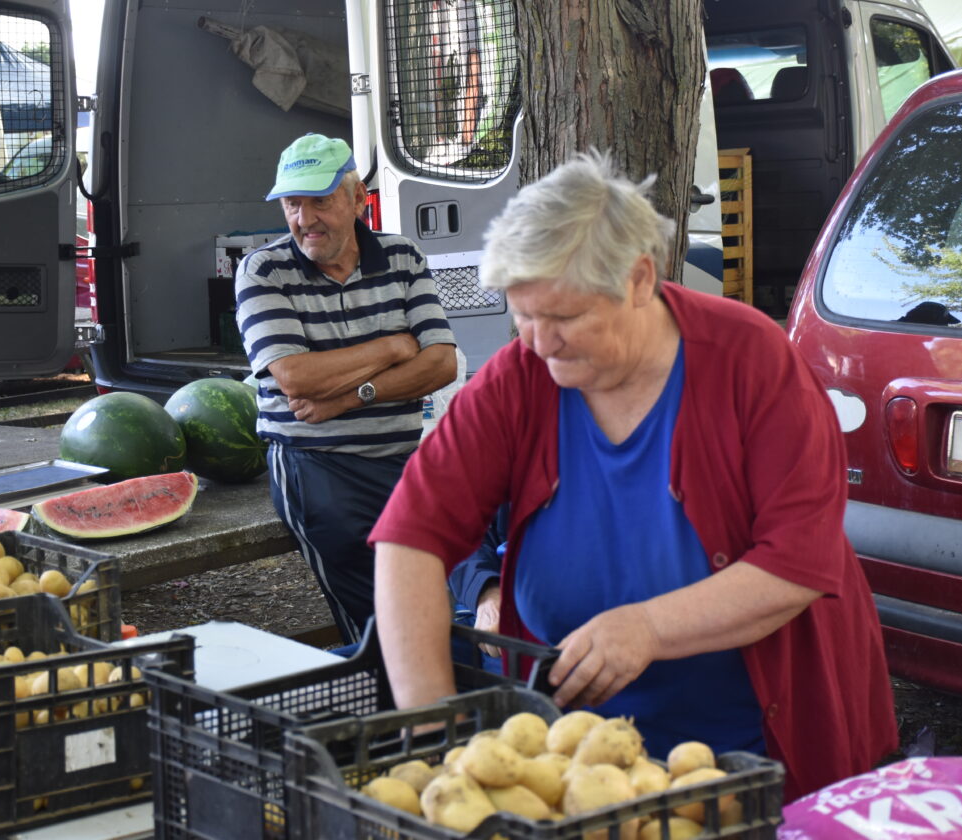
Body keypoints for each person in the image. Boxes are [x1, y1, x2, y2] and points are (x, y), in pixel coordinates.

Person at [368, 151, 897, 800]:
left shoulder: (753, 362)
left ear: (640, 279)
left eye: (563, 318)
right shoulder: (518, 378)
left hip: (754, 757)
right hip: (579, 767)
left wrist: (647, 627)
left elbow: (798, 564)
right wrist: (434, 734)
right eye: (523, 316)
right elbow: (410, 536)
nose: (538, 341)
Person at [235, 133, 458, 645]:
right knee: (381, 615)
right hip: (314, 464)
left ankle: (430, 696)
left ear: (359, 200)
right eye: (292, 203)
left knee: (443, 589)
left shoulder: (402, 257)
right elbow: (294, 377)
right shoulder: (263, 270)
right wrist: (392, 347)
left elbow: (442, 364)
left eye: (321, 200)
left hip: (402, 459)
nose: (305, 219)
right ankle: (397, 705)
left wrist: (349, 395)